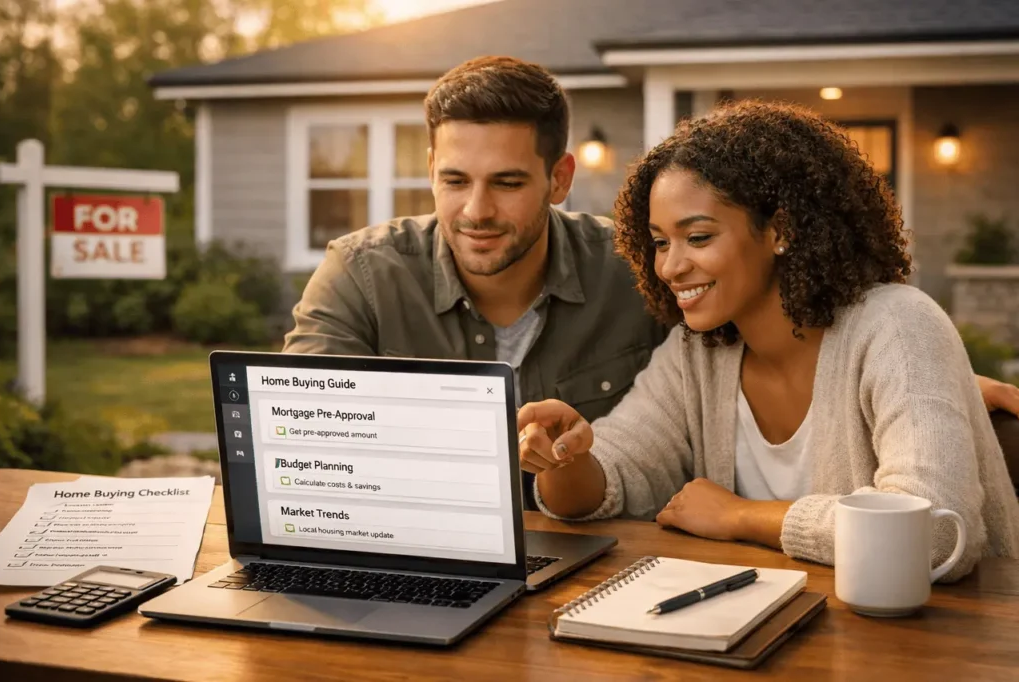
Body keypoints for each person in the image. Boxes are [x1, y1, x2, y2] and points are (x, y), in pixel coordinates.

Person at [283, 55, 1019, 509]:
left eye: (507, 182)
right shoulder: (364, 271)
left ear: (559, 179)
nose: (669, 268)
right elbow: (296, 443)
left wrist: (937, 378)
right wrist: (571, 460)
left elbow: (920, 506)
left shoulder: (629, 278)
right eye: (452, 181)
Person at [516, 100, 1019, 581]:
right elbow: (619, 472)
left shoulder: (898, 326)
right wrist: (566, 459)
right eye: (660, 242)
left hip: (949, 642)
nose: (670, 266)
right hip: (785, 632)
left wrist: (742, 517)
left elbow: (933, 532)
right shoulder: (698, 353)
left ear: (780, 230)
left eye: (698, 237)